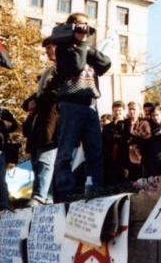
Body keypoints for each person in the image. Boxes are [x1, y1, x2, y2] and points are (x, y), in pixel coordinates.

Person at [52, 12, 111, 202]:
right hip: (71, 103)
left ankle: (95, 189)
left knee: (95, 151)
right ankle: (63, 194)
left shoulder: (86, 47)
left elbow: (105, 63)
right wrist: (81, 44)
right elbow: (76, 66)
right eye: (80, 25)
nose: (84, 28)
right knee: (66, 152)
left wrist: (86, 45)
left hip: (91, 105)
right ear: (71, 27)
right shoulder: (64, 49)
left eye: (86, 25)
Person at [21, 37, 59, 207]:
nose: (47, 51)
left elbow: (55, 93)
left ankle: (39, 196)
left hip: (52, 124)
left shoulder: (63, 69)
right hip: (39, 126)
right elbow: (38, 95)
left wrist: (37, 101)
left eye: (50, 47)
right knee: (37, 163)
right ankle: (46, 198)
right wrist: (29, 103)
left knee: (45, 161)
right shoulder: (48, 71)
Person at [136, 102, 161, 178]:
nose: (155, 117)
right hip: (150, 160)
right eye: (153, 115)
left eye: (157, 115)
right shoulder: (147, 126)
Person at [102, 100, 127, 187]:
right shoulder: (107, 127)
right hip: (111, 159)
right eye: (115, 110)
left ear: (124, 111)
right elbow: (104, 142)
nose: (117, 113)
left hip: (125, 158)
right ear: (112, 111)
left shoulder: (128, 124)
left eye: (120, 110)